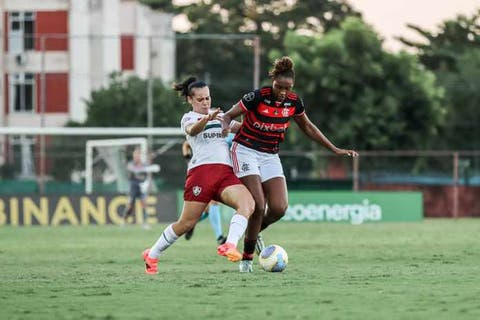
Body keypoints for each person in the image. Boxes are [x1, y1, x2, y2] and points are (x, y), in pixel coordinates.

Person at [222, 56, 359, 272]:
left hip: (270, 155)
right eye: (279, 86)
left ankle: (254, 231)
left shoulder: (294, 102)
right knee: (258, 204)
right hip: (246, 150)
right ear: (273, 80)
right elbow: (228, 116)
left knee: (279, 208)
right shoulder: (257, 97)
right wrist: (224, 125)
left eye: (287, 88)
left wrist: (335, 149)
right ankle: (247, 260)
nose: (283, 92)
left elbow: (309, 127)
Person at [142, 77, 255, 275]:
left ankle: (229, 245)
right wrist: (206, 120)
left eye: (208, 98)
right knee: (186, 224)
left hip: (225, 174)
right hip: (201, 175)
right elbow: (193, 130)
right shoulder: (188, 118)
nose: (205, 103)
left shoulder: (221, 116)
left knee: (248, 204)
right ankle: (152, 254)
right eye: (201, 99)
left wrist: (258, 120)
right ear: (190, 100)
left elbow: (245, 129)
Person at [182, 139, 227, 245]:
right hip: (199, 173)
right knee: (213, 203)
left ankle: (190, 224)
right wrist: (188, 159)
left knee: (208, 210)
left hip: (211, 171)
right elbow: (186, 144)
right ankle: (219, 237)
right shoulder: (200, 134)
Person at [121, 148, 154, 230]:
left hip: (142, 186)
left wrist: (146, 184)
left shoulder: (144, 165)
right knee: (130, 205)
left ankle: (145, 223)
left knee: (144, 204)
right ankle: (124, 220)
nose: (136, 156)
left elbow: (147, 175)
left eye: (138, 155)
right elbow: (131, 170)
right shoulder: (131, 164)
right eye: (135, 155)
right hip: (133, 186)